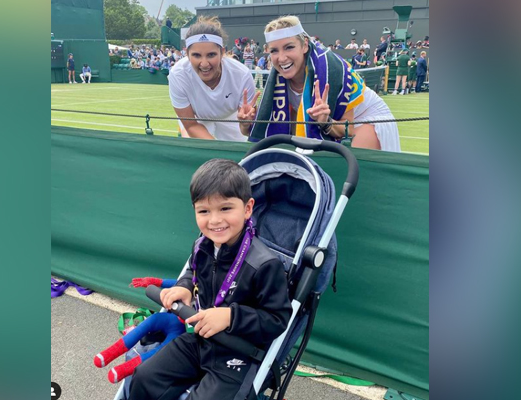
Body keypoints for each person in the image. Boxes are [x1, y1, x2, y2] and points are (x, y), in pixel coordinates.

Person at [128, 158, 292, 400]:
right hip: (200, 339)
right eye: (204, 211)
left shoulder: (264, 264)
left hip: (238, 353)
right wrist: (183, 287)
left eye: (225, 208)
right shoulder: (202, 246)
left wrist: (231, 316)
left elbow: (278, 320)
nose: (214, 220)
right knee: (144, 376)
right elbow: (192, 273)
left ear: (247, 209)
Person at [241, 15, 385, 150]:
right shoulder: (277, 81)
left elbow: (349, 129)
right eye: (274, 51)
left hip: (365, 119)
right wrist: (245, 125)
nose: (282, 58)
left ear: (304, 45)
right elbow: (285, 129)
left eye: (289, 47)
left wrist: (325, 120)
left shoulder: (333, 69)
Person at [168, 16, 257, 141]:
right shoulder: (177, 75)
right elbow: (191, 125)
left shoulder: (242, 75)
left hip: (232, 119)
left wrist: (245, 124)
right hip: (196, 120)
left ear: (222, 52)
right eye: (196, 55)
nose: (204, 64)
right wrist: (216, 151)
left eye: (211, 55)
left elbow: (247, 131)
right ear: (187, 54)